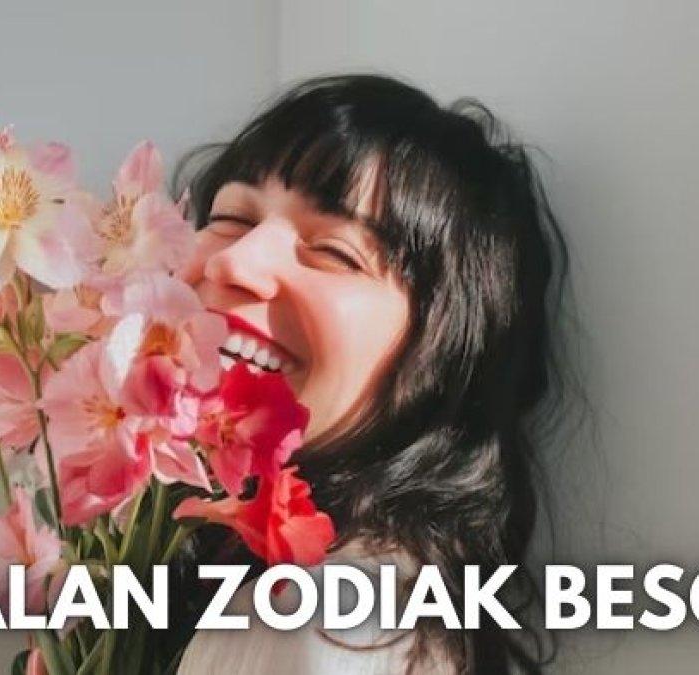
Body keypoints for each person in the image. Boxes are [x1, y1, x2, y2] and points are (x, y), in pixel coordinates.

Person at [171, 74, 572, 674]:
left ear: (443, 362)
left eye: (336, 251)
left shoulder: (322, 624)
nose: (233, 261)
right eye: (230, 217)